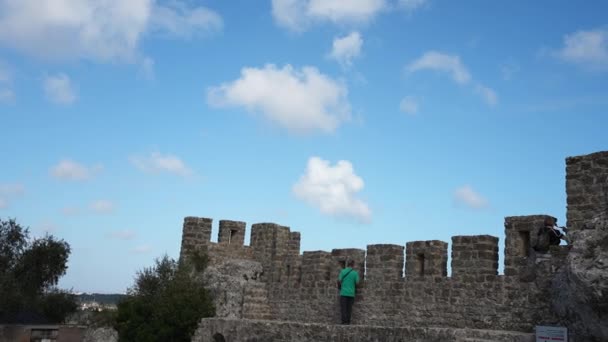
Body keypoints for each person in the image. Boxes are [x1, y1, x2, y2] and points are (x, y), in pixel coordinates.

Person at [337, 260, 360, 325]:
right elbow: (357, 283)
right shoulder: (355, 273)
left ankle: (344, 321)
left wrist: (340, 287)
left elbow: (339, 280)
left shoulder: (343, 271)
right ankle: (348, 321)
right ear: (353, 265)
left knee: (343, 308)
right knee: (349, 308)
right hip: (351, 293)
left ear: (347, 265)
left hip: (343, 292)